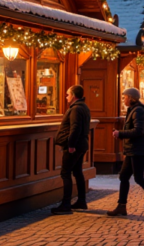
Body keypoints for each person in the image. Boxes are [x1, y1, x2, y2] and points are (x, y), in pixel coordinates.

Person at [108, 88, 144, 217]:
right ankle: (121, 206)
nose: (123, 100)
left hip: (138, 150)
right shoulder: (134, 109)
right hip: (132, 150)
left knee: (138, 178)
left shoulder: (138, 111)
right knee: (124, 176)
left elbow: (138, 131)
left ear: (131, 98)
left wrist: (120, 133)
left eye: (125, 97)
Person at [52, 85, 92, 215]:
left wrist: (70, 145)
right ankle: (81, 201)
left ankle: (66, 204)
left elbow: (75, 128)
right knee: (77, 172)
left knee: (66, 173)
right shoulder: (84, 107)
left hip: (75, 146)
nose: (66, 97)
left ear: (74, 95)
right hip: (82, 144)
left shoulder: (75, 109)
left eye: (68, 94)